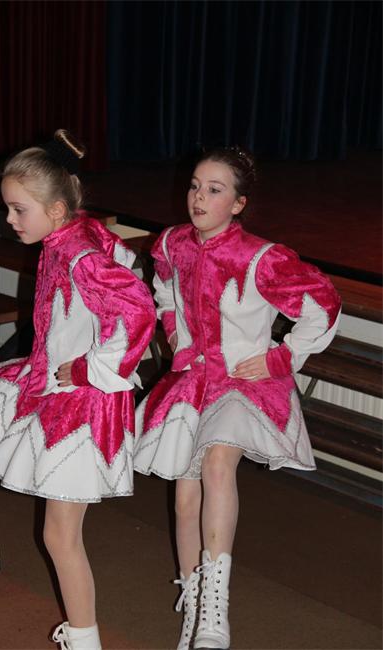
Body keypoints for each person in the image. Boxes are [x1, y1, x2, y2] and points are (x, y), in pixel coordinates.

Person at [0, 129, 156, 650]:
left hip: (83, 403)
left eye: (19, 210)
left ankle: (84, 642)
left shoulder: (81, 254)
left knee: (60, 537)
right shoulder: (75, 236)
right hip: (47, 379)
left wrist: (90, 368)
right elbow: (128, 266)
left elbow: (138, 312)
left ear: (57, 210)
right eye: (8, 208)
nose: (10, 219)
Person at [134, 146, 341, 650]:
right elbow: (165, 290)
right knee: (185, 499)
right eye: (194, 186)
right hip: (193, 381)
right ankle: (194, 602)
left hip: (244, 381)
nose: (199, 197)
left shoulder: (260, 258)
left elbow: (322, 305)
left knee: (218, 462)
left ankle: (216, 610)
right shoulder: (173, 244)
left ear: (239, 203)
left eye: (214, 190)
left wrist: (281, 358)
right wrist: (175, 333)